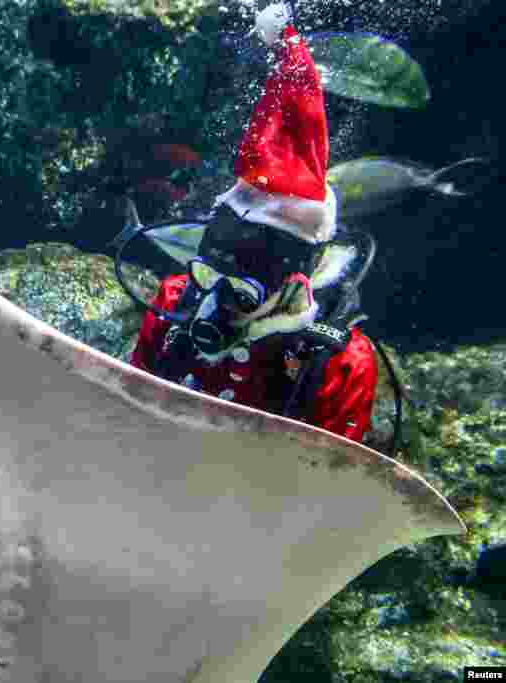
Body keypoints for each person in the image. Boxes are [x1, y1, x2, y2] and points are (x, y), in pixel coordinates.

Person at [128, 3, 378, 442]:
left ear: (297, 278)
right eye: (208, 275)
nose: (218, 300)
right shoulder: (174, 303)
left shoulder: (339, 363)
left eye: (243, 294)